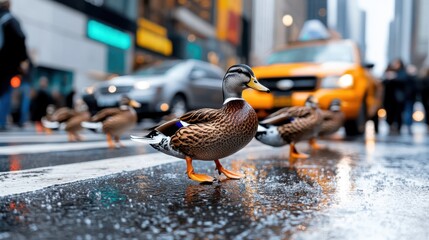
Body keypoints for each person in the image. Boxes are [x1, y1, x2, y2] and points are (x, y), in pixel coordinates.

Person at [0, 0, 28, 130]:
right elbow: (20, 38)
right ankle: (1, 121)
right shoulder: (10, 19)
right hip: (6, 64)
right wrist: (22, 60)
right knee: (5, 92)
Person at [382, 59, 408, 134]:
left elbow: (404, 80)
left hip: (398, 97)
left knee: (398, 112)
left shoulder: (402, 73)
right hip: (388, 97)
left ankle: (397, 126)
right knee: (389, 112)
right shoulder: (388, 70)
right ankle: (390, 124)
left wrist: (394, 77)